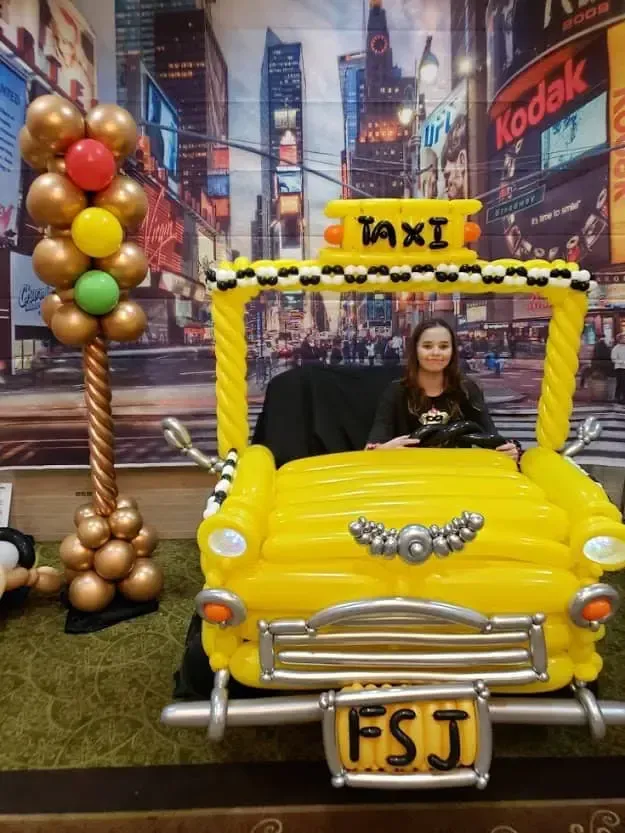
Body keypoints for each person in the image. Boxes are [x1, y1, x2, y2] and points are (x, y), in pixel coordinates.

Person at [365, 318, 520, 461]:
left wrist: (509, 450)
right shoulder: (396, 391)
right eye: (427, 346)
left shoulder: (467, 389)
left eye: (444, 346)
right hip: (410, 476)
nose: (436, 352)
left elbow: (492, 438)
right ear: (415, 350)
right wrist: (383, 449)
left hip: (457, 475)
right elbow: (372, 448)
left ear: (452, 351)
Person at [611, 333, 625, 404]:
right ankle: (618, 398)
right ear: (619, 339)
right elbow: (613, 359)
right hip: (619, 368)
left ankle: (621, 398)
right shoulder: (616, 348)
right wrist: (622, 361)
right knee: (621, 383)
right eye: (623, 338)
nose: (624, 339)